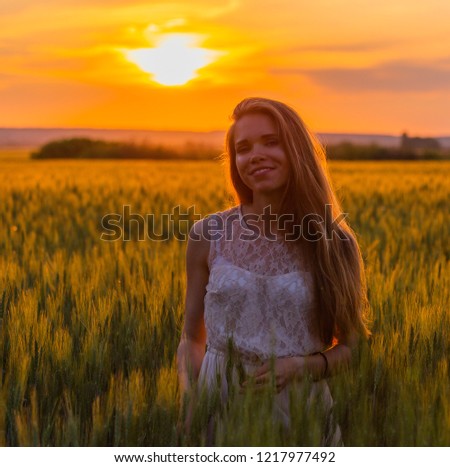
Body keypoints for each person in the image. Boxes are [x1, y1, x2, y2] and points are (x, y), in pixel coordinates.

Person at [177, 97, 371, 445]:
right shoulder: (208, 234)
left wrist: (304, 367)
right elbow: (192, 339)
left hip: (299, 411)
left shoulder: (334, 243)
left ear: (296, 149)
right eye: (243, 148)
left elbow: (354, 347)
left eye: (271, 142)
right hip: (219, 408)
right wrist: (192, 403)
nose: (255, 155)